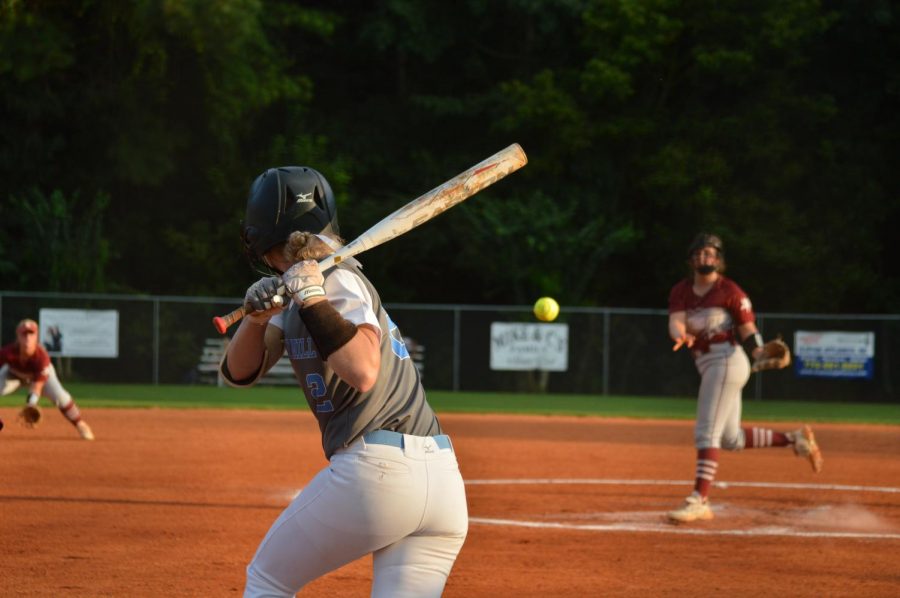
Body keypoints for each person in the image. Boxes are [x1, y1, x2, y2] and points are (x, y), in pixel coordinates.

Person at [221, 166, 468, 597]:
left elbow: (363, 370)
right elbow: (239, 375)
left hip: (379, 472)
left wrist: (314, 296)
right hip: (440, 483)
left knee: (267, 580)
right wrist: (256, 319)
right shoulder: (300, 291)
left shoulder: (338, 280)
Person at [666, 233, 822, 523]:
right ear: (690, 260)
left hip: (727, 360)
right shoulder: (681, 290)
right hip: (708, 364)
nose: (705, 257)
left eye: (711, 253)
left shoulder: (730, 291)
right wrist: (681, 334)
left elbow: (748, 330)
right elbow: (675, 323)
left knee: (706, 432)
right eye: (699, 253)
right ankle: (795, 439)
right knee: (730, 438)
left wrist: (760, 350)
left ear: (719, 260)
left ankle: (698, 499)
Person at [0, 318, 95, 440]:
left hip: (40, 379)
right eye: (24, 334)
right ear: (18, 336)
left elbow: (37, 385)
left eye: (31, 334)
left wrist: (31, 403)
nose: (28, 338)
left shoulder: (41, 357)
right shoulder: (6, 353)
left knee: (61, 396)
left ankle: (81, 424)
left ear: (36, 337)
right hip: (13, 377)